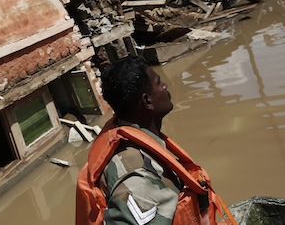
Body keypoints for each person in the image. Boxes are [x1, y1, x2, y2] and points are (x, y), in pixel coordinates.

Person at [75, 55, 236, 225]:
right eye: (159, 83)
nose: (165, 86)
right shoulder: (137, 175)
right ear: (147, 100)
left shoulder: (141, 141)